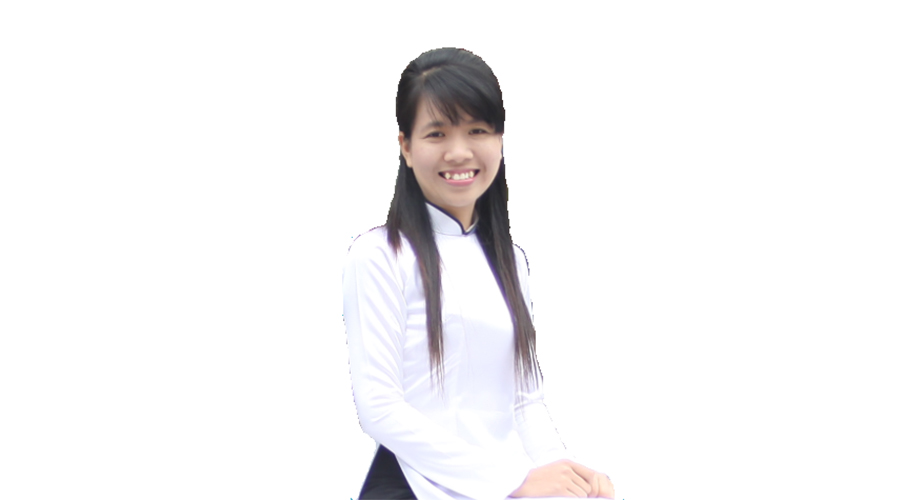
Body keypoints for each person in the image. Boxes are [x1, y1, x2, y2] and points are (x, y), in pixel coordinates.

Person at [343, 47, 615, 499]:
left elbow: (525, 402)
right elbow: (380, 407)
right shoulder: (379, 255)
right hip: (412, 488)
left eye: (477, 130)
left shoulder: (511, 261)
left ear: (500, 141)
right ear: (406, 146)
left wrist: (566, 479)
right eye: (436, 133)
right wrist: (512, 480)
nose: (458, 152)